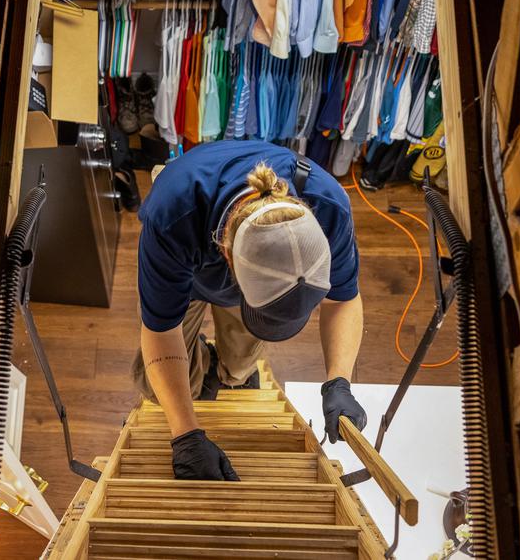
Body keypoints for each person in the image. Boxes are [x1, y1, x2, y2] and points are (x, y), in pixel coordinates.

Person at [132, 140, 368, 481]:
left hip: (244, 283)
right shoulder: (172, 214)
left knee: (240, 367)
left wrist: (339, 381)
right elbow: (161, 330)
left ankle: (222, 371)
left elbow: (343, 300)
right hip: (187, 270)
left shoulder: (330, 207)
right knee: (155, 384)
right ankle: (199, 358)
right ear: (227, 255)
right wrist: (185, 435)